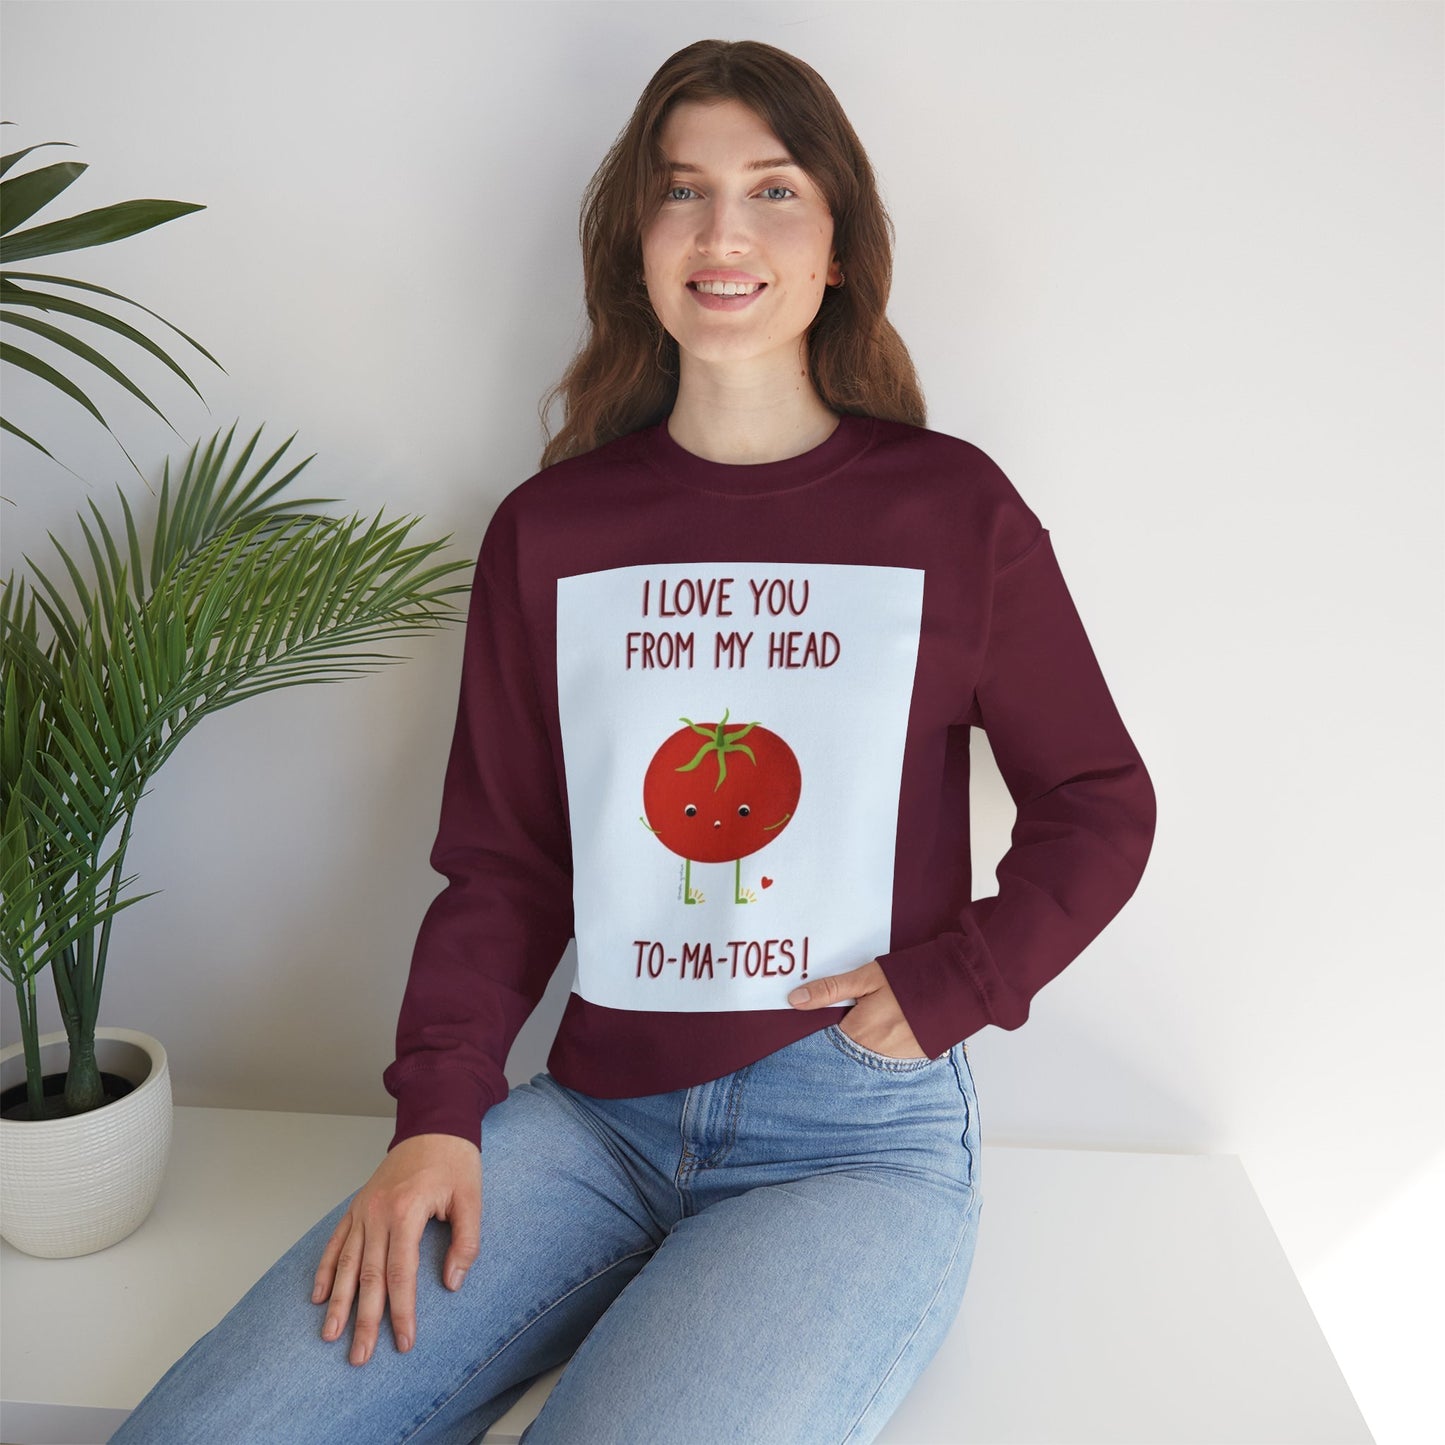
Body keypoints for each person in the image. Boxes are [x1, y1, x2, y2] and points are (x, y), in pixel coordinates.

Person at [109, 37, 1156, 1445]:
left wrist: (959, 975)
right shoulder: (555, 531)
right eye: (681, 193)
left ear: (837, 243)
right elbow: (504, 866)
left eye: (772, 191)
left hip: (847, 1138)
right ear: (637, 243)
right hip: (592, 1116)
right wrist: (438, 1110)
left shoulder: (947, 512)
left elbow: (1097, 796)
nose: (723, 231)